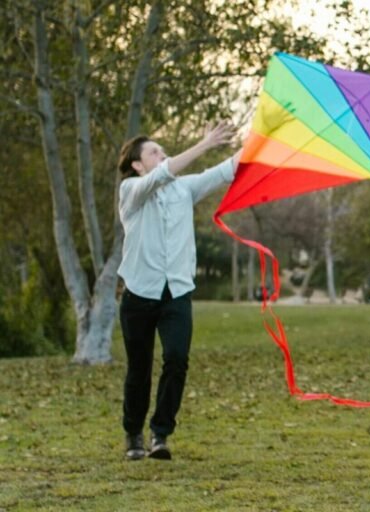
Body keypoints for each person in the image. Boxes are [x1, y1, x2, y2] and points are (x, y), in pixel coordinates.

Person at [117, 122, 242, 460]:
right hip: (139, 295)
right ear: (138, 165)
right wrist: (205, 143)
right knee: (139, 369)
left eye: (162, 149)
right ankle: (133, 434)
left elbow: (226, 170)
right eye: (154, 152)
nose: (163, 154)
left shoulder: (183, 189)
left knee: (177, 359)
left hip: (177, 293)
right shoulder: (131, 190)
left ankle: (160, 433)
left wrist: (268, 139)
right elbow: (162, 175)